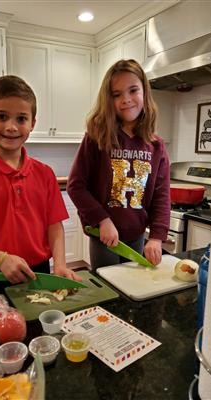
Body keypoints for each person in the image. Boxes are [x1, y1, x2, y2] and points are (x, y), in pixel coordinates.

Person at [0, 75, 81, 300]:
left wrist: (59, 264)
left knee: (41, 332)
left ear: (32, 123)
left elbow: (54, 225)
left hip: (40, 272)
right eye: (1, 116)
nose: (11, 127)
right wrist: (1, 259)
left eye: (21, 118)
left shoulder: (45, 174)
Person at [67, 59, 170, 269]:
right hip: (104, 235)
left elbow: (162, 195)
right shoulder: (97, 138)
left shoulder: (156, 146)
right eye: (117, 94)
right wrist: (102, 220)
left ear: (144, 92)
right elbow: (76, 186)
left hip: (137, 235)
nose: (126, 100)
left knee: (134, 289)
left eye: (133, 90)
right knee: (108, 294)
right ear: (109, 99)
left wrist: (157, 237)